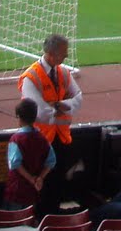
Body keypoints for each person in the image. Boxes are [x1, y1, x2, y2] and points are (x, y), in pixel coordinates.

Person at [19, 33, 84, 214]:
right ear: (52, 54)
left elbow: (78, 98)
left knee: (56, 184)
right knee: (39, 187)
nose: (67, 56)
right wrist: (61, 108)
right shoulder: (31, 77)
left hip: (60, 140)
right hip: (38, 142)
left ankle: (53, 218)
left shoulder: (63, 72)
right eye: (64, 52)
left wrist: (63, 106)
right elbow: (38, 111)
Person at [2, 97, 55, 210]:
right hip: (33, 193)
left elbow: (15, 164)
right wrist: (39, 178)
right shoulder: (42, 139)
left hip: (16, 192)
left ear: (19, 117)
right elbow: (51, 161)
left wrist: (31, 179)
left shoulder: (16, 139)